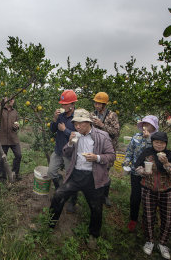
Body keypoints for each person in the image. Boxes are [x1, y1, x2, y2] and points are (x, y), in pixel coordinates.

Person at [49, 109, 115, 250]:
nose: (77, 126)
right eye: (75, 123)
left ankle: (93, 235)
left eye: (80, 123)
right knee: (59, 195)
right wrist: (71, 143)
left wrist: (96, 158)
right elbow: (65, 152)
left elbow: (111, 155)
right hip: (76, 175)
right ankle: (50, 224)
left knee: (96, 208)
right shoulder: (76, 135)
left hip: (93, 177)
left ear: (88, 122)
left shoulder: (102, 136)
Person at [134, 132, 171, 260]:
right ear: (152, 143)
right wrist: (142, 171)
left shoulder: (170, 155)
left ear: (166, 144)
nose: (159, 145)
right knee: (148, 217)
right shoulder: (147, 153)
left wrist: (166, 163)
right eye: (156, 142)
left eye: (162, 143)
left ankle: (163, 244)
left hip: (167, 191)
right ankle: (149, 241)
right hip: (148, 190)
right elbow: (137, 167)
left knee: (168, 218)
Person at [122, 115, 159, 232]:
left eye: (148, 124)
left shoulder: (156, 140)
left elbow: (157, 153)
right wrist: (126, 163)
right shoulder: (136, 137)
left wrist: (148, 140)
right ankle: (133, 219)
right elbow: (129, 152)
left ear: (154, 127)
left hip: (150, 174)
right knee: (135, 197)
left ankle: (146, 221)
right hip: (135, 172)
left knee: (149, 199)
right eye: (144, 124)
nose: (145, 127)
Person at [91, 92, 120, 207]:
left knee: (105, 171)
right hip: (95, 148)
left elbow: (116, 132)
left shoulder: (112, 115)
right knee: (95, 171)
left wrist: (102, 125)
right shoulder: (92, 114)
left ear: (104, 104)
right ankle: (95, 193)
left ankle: (105, 196)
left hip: (107, 148)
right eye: (96, 103)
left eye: (100, 103)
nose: (97, 105)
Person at [47, 90, 77, 189]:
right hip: (58, 150)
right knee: (51, 172)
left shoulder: (77, 117)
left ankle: (72, 200)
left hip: (69, 152)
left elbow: (77, 137)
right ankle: (59, 187)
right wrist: (54, 119)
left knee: (70, 178)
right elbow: (52, 130)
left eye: (65, 104)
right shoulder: (60, 115)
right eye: (62, 104)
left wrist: (65, 130)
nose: (63, 106)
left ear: (72, 104)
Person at [0, 97, 22, 182]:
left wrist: (16, 127)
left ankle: (15, 174)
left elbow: (16, 126)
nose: (11, 100)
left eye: (13, 99)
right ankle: (2, 179)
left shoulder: (15, 112)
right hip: (2, 139)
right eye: (9, 99)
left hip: (13, 138)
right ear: (4, 99)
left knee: (18, 155)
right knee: (1, 160)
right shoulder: (0, 109)